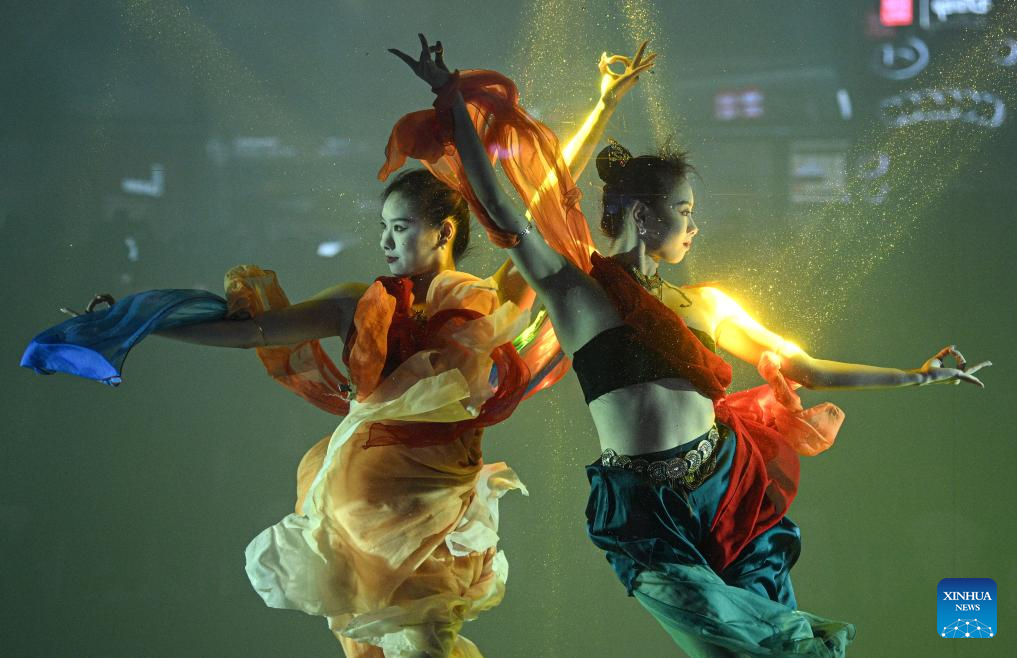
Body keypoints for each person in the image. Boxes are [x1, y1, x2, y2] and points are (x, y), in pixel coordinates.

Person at [20, 46, 654, 658]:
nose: (385, 242)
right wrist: (142, 323)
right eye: (383, 229)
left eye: (398, 228)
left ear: (445, 231)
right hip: (360, 509)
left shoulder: (490, 298)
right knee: (377, 644)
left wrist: (601, 110)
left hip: (435, 509)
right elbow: (254, 332)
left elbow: (540, 201)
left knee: (422, 645)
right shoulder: (360, 300)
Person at [388, 34, 991, 657]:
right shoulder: (578, 295)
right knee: (739, 647)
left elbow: (803, 367)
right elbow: (502, 208)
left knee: (778, 642)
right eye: (684, 210)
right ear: (646, 218)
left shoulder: (707, 303)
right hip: (646, 515)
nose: (694, 225)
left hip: (731, 488)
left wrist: (916, 376)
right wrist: (452, 100)